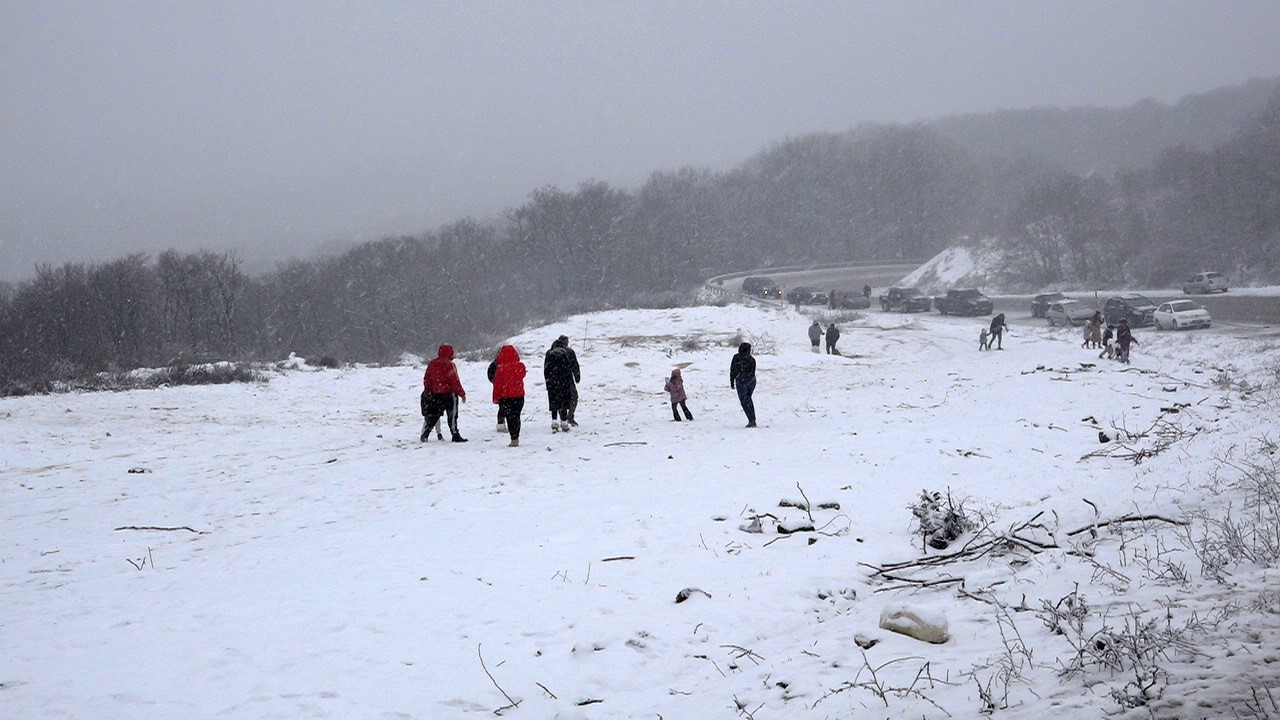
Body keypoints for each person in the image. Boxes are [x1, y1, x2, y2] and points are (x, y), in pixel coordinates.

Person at [421, 343, 467, 443]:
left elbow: (427, 378)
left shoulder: (432, 364)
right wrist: (462, 393)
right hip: (449, 394)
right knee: (452, 416)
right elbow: (455, 381)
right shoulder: (450, 365)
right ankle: (455, 434)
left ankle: (426, 433)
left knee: (434, 415)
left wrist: (428, 390)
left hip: (436, 394)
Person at [543, 335, 580, 433]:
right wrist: (577, 376)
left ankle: (557, 421)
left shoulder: (549, 353)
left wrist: (548, 381)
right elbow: (574, 365)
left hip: (553, 381)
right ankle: (568, 417)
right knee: (572, 397)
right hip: (566, 380)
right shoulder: (568, 352)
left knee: (556, 401)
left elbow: (546, 369)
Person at [492, 345, 526, 447]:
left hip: (506, 397)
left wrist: (496, 397)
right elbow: (523, 375)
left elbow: (497, 384)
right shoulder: (520, 366)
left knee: (510, 418)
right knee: (517, 416)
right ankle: (516, 436)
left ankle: (513, 438)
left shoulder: (500, 368)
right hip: (519, 396)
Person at [729, 342, 757, 428]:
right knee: (748, 399)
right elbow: (752, 372)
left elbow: (732, 370)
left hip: (741, 382)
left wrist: (732, 381)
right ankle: (752, 419)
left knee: (744, 401)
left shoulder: (736, 358)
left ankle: (751, 420)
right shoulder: (752, 359)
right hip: (751, 381)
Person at [487, 349, 506, 432]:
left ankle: (501, 423)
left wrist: (495, 382)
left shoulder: (496, 363)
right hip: (506, 389)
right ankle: (503, 423)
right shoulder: (499, 364)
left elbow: (490, 373)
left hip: (501, 389)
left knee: (502, 407)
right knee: (505, 407)